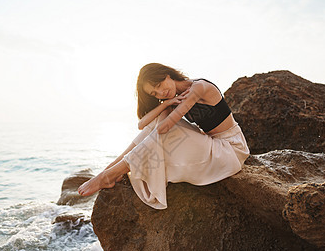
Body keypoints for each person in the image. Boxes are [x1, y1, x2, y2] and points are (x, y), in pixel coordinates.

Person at [77, 63, 250, 209]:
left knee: (166, 129)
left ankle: (109, 175)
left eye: (159, 85)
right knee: (156, 125)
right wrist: (166, 104)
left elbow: (164, 128)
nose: (161, 93)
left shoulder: (199, 87)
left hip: (231, 149)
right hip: (213, 144)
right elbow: (142, 125)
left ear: (167, 75)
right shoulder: (173, 98)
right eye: (154, 93)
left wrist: (169, 108)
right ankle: (108, 170)